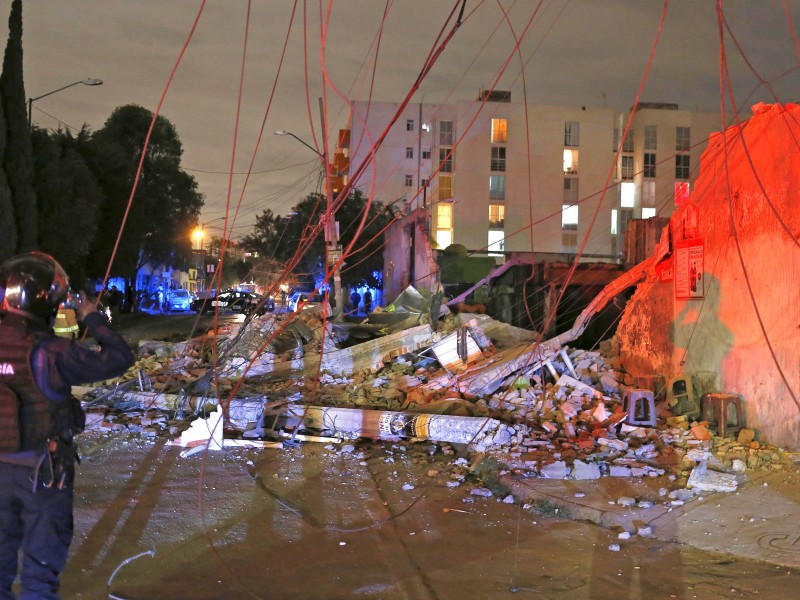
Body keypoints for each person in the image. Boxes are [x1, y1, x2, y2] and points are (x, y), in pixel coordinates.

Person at [0, 252, 135, 599]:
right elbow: (119, 358)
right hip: (41, 476)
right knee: (39, 574)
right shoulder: (52, 352)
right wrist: (94, 318)